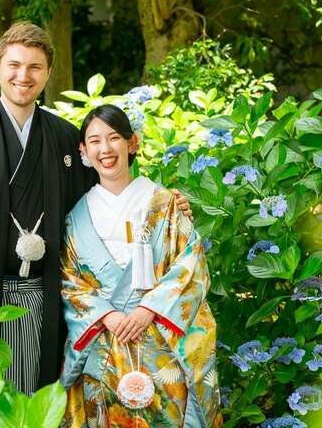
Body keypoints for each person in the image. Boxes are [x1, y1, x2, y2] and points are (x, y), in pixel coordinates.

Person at [0, 21, 192, 394]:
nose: (23, 76)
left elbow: (107, 195)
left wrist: (165, 205)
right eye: (14, 65)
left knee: (39, 395)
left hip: (48, 296)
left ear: (47, 73)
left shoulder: (63, 136)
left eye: (34, 67)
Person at [60, 104, 222, 427]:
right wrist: (108, 316)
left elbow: (191, 264)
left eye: (114, 138)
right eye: (94, 141)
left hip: (161, 340)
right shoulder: (76, 216)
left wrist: (148, 309)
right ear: (83, 151)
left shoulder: (166, 203)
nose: (105, 149)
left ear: (132, 142)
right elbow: (68, 280)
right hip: (103, 340)